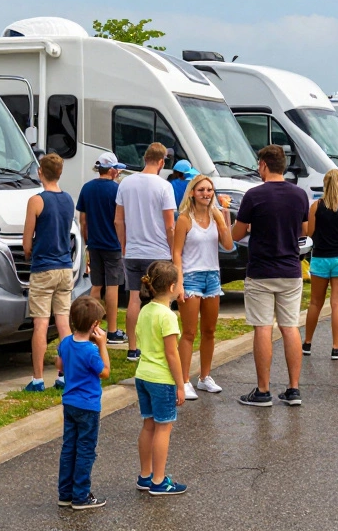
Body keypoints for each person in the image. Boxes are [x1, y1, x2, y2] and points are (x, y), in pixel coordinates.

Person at [232, 145, 311, 407]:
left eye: (258, 164)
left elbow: (236, 234)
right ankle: (293, 389)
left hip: (261, 269)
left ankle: (263, 390)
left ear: (265, 164)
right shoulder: (300, 195)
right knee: (290, 328)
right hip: (290, 269)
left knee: (263, 328)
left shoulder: (254, 195)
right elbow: (304, 230)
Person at [171, 174, 234, 398]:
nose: (206, 194)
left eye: (209, 190)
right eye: (201, 190)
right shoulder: (184, 219)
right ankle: (184, 380)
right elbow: (176, 253)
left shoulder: (216, 215)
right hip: (191, 276)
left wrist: (224, 215)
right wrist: (178, 283)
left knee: (209, 331)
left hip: (212, 277)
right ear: (192, 193)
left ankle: (205, 376)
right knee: (188, 332)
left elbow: (228, 245)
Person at [115, 143, 177, 363]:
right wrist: (173, 249)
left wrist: (123, 244)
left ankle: (132, 348)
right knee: (160, 301)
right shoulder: (164, 186)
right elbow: (170, 225)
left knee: (134, 299)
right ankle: (156, 346)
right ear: (161, 162)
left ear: (144, 159)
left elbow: (118, 220)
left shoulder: (125, 183)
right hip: (157, 250)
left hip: (132, 250)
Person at [134, 261, 188, 496]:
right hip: (161, 379)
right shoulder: (168, 316)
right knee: (163, 428)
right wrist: (180, 384)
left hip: (143, 375)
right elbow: (171, 354)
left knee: (148, 425)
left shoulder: (145, 310)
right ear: (173, 286)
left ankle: (145, 476)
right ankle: (159, 480)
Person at [23, 153, 75, 392]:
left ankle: (37, 379)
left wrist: (28, 254)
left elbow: (26, 242)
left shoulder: (36, 200)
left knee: (41, 325)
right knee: (63, 323)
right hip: (65, 267)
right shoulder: (68, 199)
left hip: (44, 267)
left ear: (40, 173)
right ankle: (64, 375)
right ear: (60, 173)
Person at [57, 296, 111, 510]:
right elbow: (105, 372)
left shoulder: (66, 343)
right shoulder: (90, 351)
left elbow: (59, 364)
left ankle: (65, 493)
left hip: (70, 403)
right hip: (88, 406)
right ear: (94, 325)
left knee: (69, 447)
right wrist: (103, 346)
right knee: (86, 449)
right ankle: (81, 495)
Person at [303, 169, 338, 360]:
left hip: (319, 258)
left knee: (315, 303)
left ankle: (307, 343)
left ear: (325, 185)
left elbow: (310, 232)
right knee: (337, 304)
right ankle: (336, 347)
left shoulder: (316, 206)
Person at [78, 152, 128, 345]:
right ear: (113, 170)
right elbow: (120, 219)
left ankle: (93, 326)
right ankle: (113, 331)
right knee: (113, 286)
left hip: (95, 243)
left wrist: (87, 241)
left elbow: (83, 220)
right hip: (113, 244)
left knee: (96, 286)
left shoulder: (87, 188)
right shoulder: (117, 190)